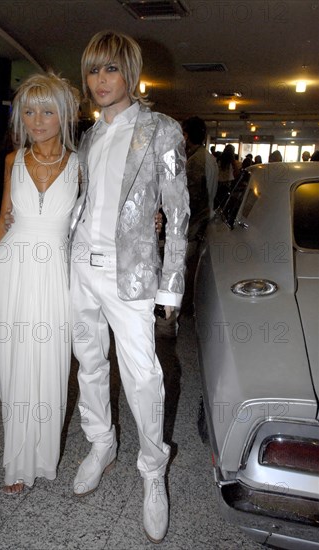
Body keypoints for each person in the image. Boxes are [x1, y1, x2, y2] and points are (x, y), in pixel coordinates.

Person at [69, 31, 189, 543]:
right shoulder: (89, 135)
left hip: (132, 274)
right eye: (94, 70)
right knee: (89, 361)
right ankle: (101, 444)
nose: (100, 80)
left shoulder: (161, 129)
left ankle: (152, 470)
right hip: (80, 266)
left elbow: (179, 212)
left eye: (110, 70)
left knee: (142, 377)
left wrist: (172, 286)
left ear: (131, 75)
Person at [0, 73, 80, 494]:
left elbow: (96, 220)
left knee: (51, 364)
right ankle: (17, 463)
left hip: (56, 272)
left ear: (64, 115)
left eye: (47, 111)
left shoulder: (80, 165)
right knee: (13, 365)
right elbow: (2, 219)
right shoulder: (12, 161)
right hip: (13, 268)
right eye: (30, 112)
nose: (37, 121)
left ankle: (42, 455)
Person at [181, 116, 217, 315]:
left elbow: (193, 199)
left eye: (183, 134)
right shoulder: (206, 157)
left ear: (188, 135)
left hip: (195, 225)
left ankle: (186, 309)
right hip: (203, 222)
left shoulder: (196, 161)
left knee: (188, 270)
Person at [214, 144, 240, 208]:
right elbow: (237, 171)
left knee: (217, 200)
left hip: (218, 182)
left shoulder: (219, 159)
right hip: (227, 183)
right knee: (224, 201)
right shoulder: (232, 160)